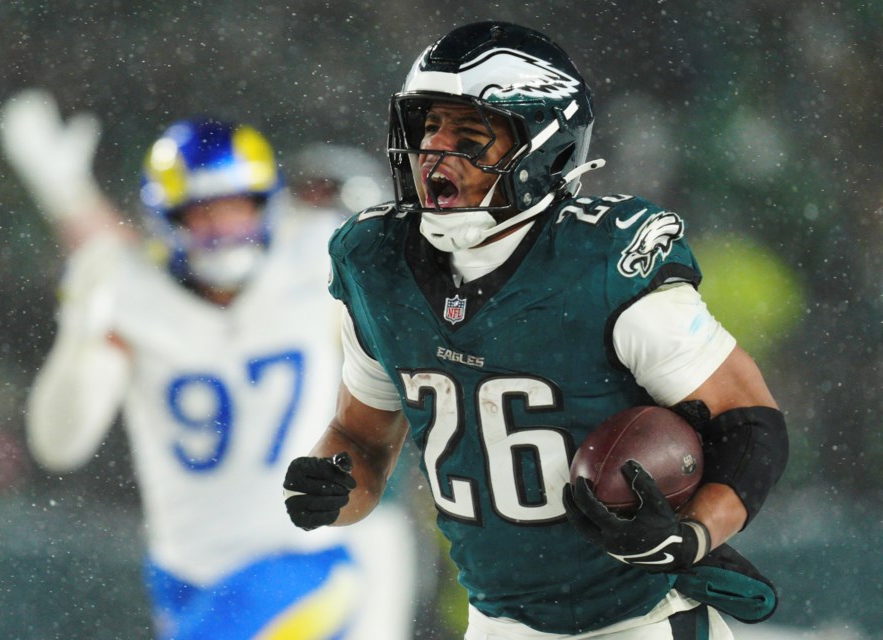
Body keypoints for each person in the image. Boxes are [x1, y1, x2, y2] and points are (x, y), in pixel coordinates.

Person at [283, 21, 788, 640]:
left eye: (469, 134)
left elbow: (749, 421)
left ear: (543, 148)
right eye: (428, 127)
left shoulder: (597, 264)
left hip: (641, 621)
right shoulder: (376, 263)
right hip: (496, 622)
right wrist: (329, 486)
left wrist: (691, 534)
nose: (436, 150)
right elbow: (360, 442)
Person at [0, 89, 410, 640]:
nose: (223, 231)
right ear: (166, 221)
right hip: (184, 575)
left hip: (300, 560)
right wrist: (80, 333)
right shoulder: (132, 296)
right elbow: (59, 445)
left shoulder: (314, 263)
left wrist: (68, 196)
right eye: (202, 215)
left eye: (236, 208)